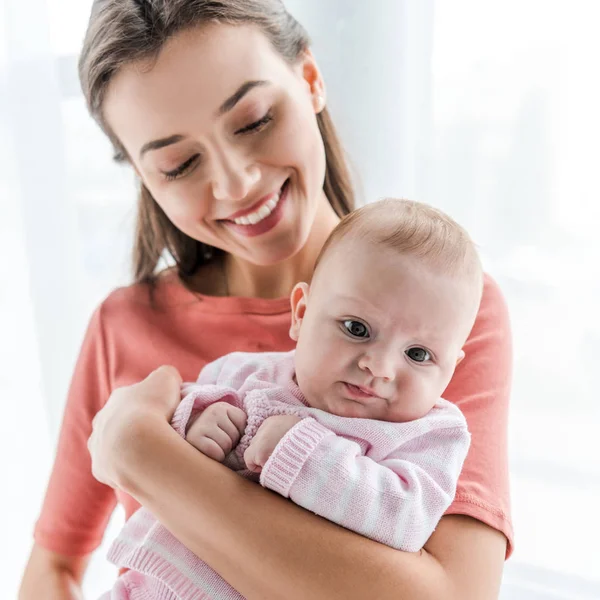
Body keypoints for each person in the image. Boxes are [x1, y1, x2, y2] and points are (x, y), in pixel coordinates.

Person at [19, 2, 513, 599]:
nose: (236, 183)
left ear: (310, 80)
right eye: (178, 165)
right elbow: (54, 568)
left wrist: (142, 454)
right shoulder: (123, 325)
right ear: (145, 180)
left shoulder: (437, 321)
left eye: (252, 120)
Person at [101, 199, 478, 599]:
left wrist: (302, 454)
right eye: (356, 328)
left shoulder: (429, 437)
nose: (380, 366)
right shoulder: (247, 372)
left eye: (418, 355)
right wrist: (196, 423)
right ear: (301, 312)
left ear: (451, 368)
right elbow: (177, 416)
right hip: (153, 587)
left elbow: (403, 520)